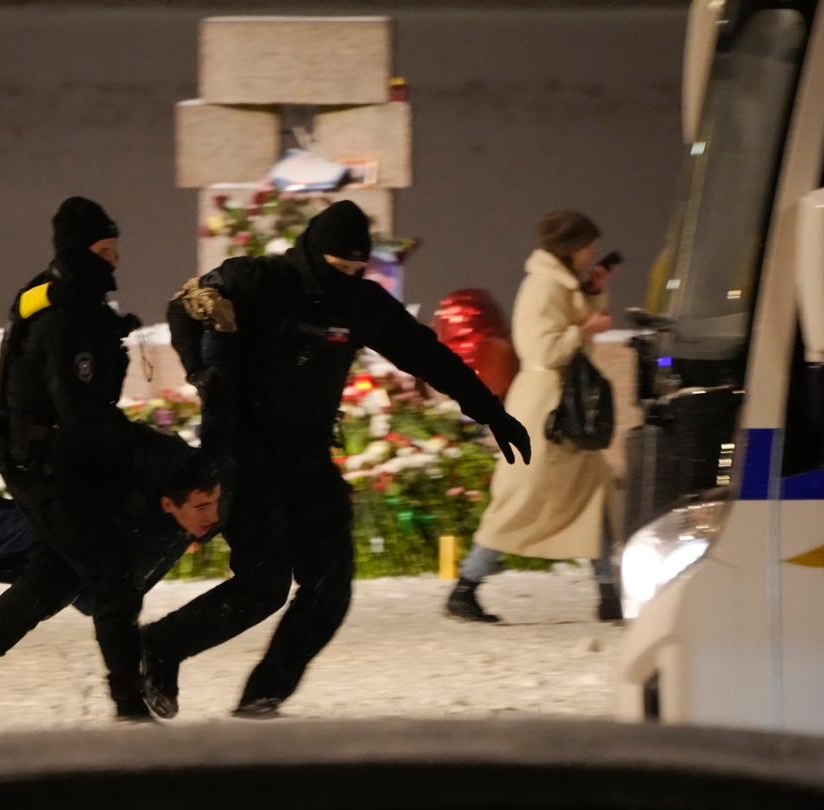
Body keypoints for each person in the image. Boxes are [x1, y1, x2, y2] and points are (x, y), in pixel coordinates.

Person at [142, 200, 532, 719]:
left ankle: (263, 696)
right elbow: (183, 307)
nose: (345, 279)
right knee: (264, 586)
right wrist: (201, 374)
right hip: (246, 452)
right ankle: (159, 649)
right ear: (313, 254)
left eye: (356, 270)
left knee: (331, 586)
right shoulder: (257, 278)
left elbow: (426, 353)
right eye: (337, 268)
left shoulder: (360, 304)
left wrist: (491, 411)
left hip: (307, 458)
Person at [0, 197, 166, 721]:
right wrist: (148, 453)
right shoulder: (64, 313)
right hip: (47, 467)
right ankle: (129, 704)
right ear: (81, 250)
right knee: (110, 575)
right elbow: (79, 409)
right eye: (104, 249)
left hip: (55, 461)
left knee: (54, 577)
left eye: (116, 247)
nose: (115, 259)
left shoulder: (78, 304)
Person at [444, 210, 622, 624]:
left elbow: (571, 329)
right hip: (546, 411)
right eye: (585, 245)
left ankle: (610, 594)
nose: (591, 252)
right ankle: (466, 586)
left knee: (593, 495)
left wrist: (593, 293)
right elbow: (542, 348)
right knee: (521, 500)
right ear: (570, 248)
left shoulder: (559, 285)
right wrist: (585, 329)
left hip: (562, 409)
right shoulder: (542, 287)